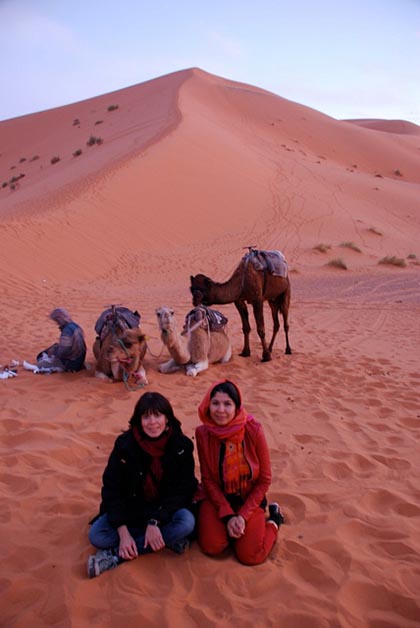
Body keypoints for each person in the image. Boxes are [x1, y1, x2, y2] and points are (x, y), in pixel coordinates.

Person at [87, 391, 198, 578]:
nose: (152, 422)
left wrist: (156, 521)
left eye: (157, 415)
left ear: (167, 418)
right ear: (138, 420)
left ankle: (114, 556)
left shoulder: (182, 445)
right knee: (97, 536)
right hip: (133, 509)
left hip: (165, 510)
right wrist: (122, 532)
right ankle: (165, 538)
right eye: (146, 416)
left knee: (186, 523)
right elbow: (111, 489)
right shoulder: (125, 445)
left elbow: (184, 489)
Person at [195, 380, 283, 565]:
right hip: (217, 499)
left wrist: (242, 516)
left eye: (227, 404)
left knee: (251, 555)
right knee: (212, 546)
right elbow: (208, 480)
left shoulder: (253, 430)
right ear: (208, 405)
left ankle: (274, 520)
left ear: (236, 406)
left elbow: (264, 480)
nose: (221, 410)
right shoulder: (203, 433)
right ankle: (230, 528)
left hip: (248, 499)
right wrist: (227, 515)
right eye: (215, 403)